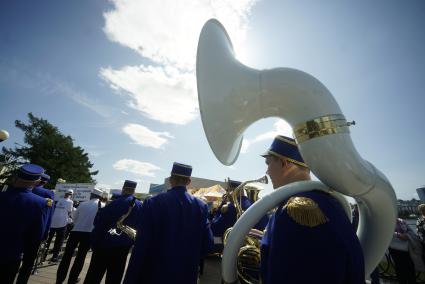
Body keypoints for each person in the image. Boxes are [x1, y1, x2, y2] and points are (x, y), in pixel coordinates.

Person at [260, 135, 365, 284]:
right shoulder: (328, 201)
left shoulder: (294, 209)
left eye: (268, 163)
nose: (267, 172)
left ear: (284, 163)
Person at [123, 162, 214, 284]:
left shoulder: (152, 202)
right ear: (189, 181)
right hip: (186, 275)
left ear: (171, 179)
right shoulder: (201, 206)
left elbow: (141, 245)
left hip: (154, 274)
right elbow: (208, 244)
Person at [84, 180, 142, 284]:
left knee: (94, 276)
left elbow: (98, 224)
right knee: (115, 278)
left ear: (123, 189)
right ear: (134, 190)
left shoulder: (114, 203)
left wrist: (94, 243)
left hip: (104, 245)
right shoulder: (139, 205)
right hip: (123, 248)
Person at [0, 164, 48, 284]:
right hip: (12, 254)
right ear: (37, 181)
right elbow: (37, 235)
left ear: (16, 177)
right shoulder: (40, 203)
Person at [56, 188, 105, 284]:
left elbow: (74, 218)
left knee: (66, 256)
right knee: (80, 257)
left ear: (92, 195)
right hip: (89, 234)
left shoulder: (83, 204)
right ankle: (72, 279)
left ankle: (59, 279)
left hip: (75, 232)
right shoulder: (102, 206)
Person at [15, 172, 55, 284]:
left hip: (16, 229)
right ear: (45, 182)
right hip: (34, 231)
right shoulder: (48, 193)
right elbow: (48, 215)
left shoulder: (24, 188)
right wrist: (46, 232)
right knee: (28, 262)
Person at [46, 189, 74, 262]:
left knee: (48, 240)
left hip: (53, 222)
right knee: (59, 241)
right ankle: (55, 257)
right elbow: (70, 211)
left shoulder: (58, 200)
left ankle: (44, 254)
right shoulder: (70, 202)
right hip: (62, 223)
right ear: (71, 195)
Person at [389, 218, 417, 284]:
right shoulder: (387, 222)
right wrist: (399, 235)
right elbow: (386, 232)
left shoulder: (401, 221)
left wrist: (407, 235)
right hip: (395, 249)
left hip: (407, 249)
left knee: (410, 270)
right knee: (400, 271)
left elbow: (410, 231)